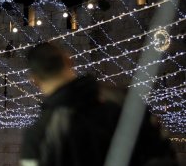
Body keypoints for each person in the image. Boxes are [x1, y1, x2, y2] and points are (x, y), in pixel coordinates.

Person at [20, 42, 178, 166]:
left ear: (34, 80)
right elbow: (163, 155)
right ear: (69, 60)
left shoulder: (40, 134)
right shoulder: (125, 100)